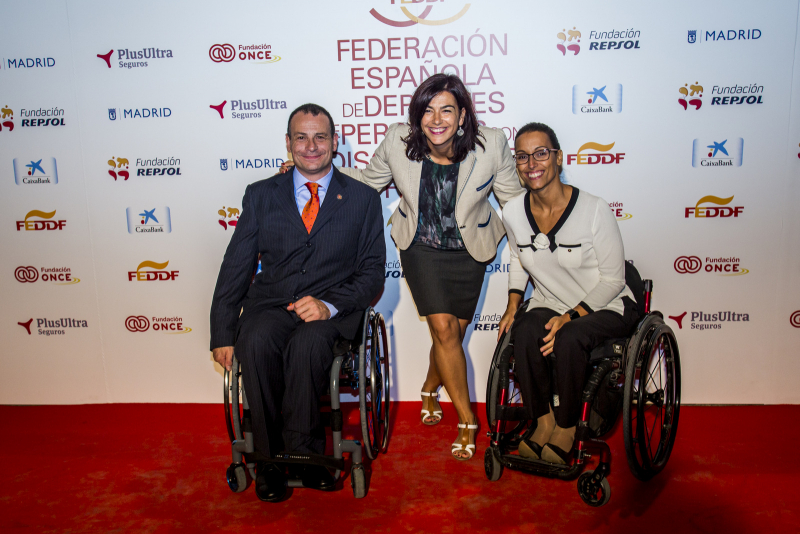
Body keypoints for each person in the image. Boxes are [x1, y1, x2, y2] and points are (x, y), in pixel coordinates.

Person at [338, 73, 523, 460]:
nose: (436, 119)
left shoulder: (491, 145)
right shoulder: (397, 141)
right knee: (443, 328)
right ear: (417, 115)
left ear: (462, 116)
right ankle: (468, 420)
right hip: (420, 248)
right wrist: (320, 169)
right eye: (427, 110)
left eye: (446, 110)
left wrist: (546, 229)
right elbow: (368, 182)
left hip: (469, 251)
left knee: (450, 334)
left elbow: (514, 202)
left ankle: (427, 387)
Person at [210, 103, 385, 501]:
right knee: (254, 340)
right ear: (288, 143)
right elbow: (235, 266)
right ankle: (270, 462)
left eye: (320, 137)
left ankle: (307, 456)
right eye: (301, 137)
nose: (311, 146)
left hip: (330, 315)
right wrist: (222, 332)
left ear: (334, 143)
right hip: (271, 306)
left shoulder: (362, 199)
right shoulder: (260, 195)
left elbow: (373, 273)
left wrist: (328, 305)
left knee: (308, 344)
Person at [497, 122, 640, 465]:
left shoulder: (594, 209)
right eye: (522, 157)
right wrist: (513, 303)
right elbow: (518, 257)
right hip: (551, 301)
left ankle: (567, 425)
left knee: (570, 337)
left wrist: (571, 315)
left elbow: (613, 280)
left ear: (558, 158)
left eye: (541, 153)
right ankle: (542, 419)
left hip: (607, 304)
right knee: (527, 329)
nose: (532, 164)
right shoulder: (513, 211)